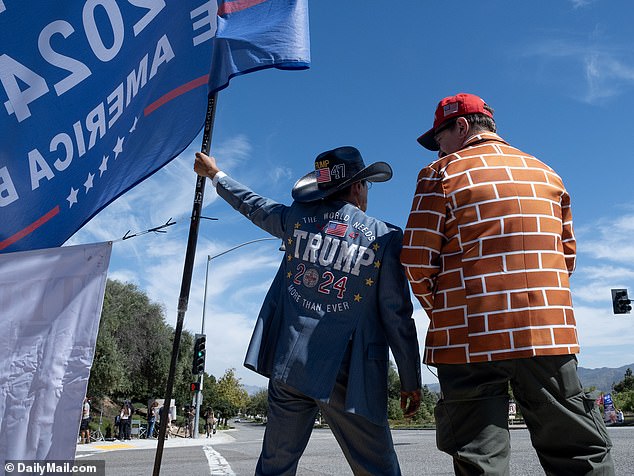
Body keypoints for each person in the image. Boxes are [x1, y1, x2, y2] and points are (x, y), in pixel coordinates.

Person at [402, 92, 615, 475]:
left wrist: (443, 312)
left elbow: (417, 260)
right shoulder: (547, 173)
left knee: (480, 456)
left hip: (469, 338)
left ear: (462, 126)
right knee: (579, 449)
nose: (437, 150)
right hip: (547, 334)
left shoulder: (442, 173)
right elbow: (567, 256)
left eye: (439, 139)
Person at [194, 146, 422, 476]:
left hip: (289, 366)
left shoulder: (297, 219)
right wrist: (410, 379)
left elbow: (254, 206)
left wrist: (215, 174)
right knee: (377, 468)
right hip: (348, 374)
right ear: (358, 187)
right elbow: (396, 316)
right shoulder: (384, 239)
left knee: (275, 466)